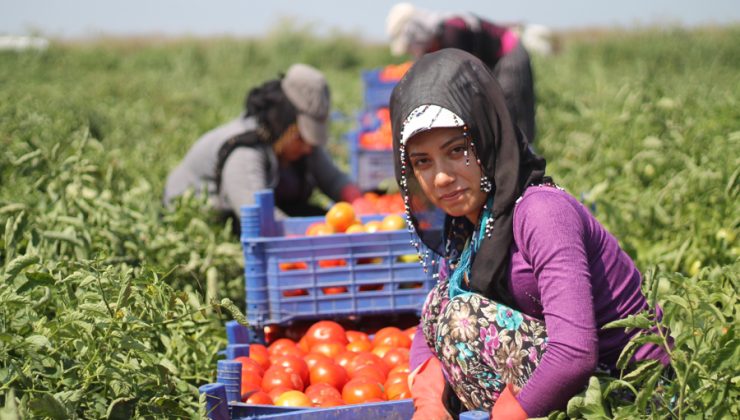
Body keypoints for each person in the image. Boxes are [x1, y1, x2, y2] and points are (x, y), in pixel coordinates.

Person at [390, 49, 671, 419]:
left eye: (457, 151)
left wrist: (511, 413)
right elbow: (430, 328)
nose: (441, 177)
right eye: (422, 162)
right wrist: (427, 398)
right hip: (570, 385)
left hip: (630, 395)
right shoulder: (469, 225)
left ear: (488, 138)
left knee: (461, 318)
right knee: (441, 303)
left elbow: (574, 353)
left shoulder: (541, 212)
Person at [163, 64, 361, 234]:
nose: (309, 147)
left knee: (319, 217)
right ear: (285, 125)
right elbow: (260, 218)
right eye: (302, 137)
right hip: (207, 220)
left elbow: (334, 180)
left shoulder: (300, 144)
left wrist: (362, 206)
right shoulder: (245, 151)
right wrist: (311, 239)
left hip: (253, 212)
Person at [386, 3, 537, 144]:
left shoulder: (452, 31)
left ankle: (524, 159)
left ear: (419, 35)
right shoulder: (432, 44)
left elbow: (462, 78)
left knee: (510, 111)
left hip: (508, 54)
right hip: (489, 62)